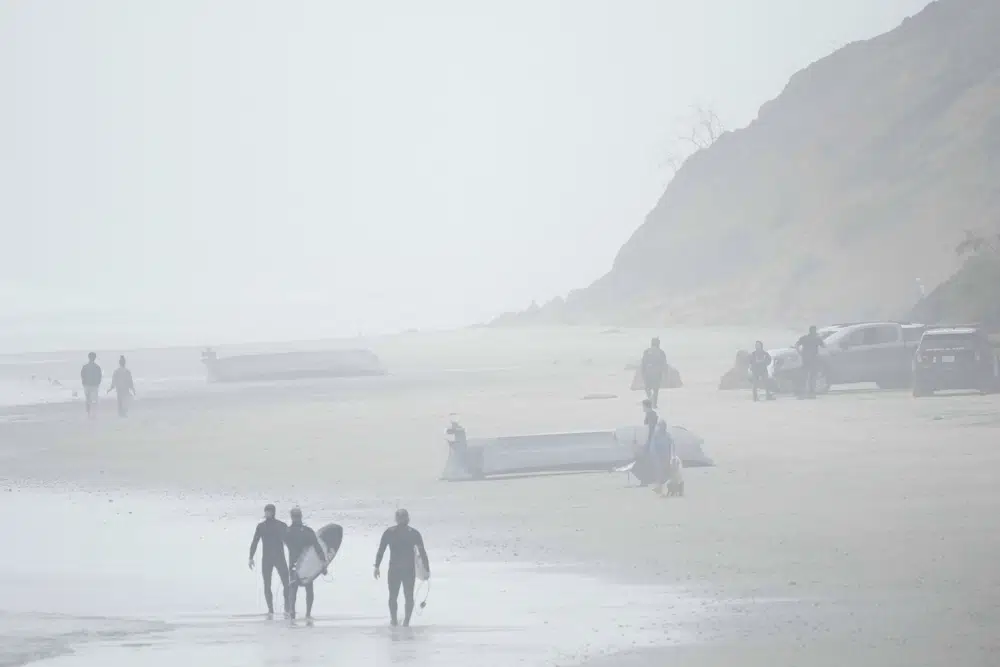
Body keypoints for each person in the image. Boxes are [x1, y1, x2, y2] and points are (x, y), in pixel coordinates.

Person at [374, 509, 430, 627]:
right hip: (408, 570)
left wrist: (377, 566)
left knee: (393, 596)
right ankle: (406, 623)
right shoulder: (414, 533)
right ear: (408, 519)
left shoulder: (389, 532)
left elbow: (381, 550)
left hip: (394, 569)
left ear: (396, 519)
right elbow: (422, 552)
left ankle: (394, 621)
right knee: (408, 595)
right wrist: (426, 569)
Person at [284, 507, 326, 620]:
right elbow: (317, 548)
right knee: (308, 588)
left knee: (293, 588)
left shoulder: (287, 532)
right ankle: (307, 613)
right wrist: (323, 563)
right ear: (301, 517)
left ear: (292, 517)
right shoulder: (308, 531)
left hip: (293, 563)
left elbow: (285, 544)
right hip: (307, 564)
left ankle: (292, 611)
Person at [249, 504, 289, 617]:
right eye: (266, 511)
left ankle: (287, 608)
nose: (267, 513)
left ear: (273, 512)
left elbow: (289, 542)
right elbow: (255, 541)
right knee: (267, 584)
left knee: (287, 583)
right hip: (267, 559)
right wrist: (250, 557)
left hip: (279, 557)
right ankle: (270, 610)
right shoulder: (261, 527)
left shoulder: (281, 525)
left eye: (269, 511)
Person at [642, 399, 672, 495]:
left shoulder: (651, 416)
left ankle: (659, 486)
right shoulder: (666, 435)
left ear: (646, 406)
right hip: (658, 449)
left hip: (655, 446)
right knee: (660, 469)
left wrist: (648, 443)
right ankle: (660, 486)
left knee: (659, 468)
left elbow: (650, 430)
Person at [795, 326, 826, 398]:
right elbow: (824, 346)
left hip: (805, 359)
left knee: (804, 376)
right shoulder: (817, 339)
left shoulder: (804, 338)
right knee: (812, 376)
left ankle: (802, 393)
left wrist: (799, 352)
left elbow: (796, 345)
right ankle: (811, 392)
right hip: (813, 359)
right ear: (814, 331)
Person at [640, 337, 669, 408]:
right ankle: (654, 404)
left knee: (647, 388)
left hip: (648, 373)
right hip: (657, 374)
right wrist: (665, 373)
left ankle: (650, 399)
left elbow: (643, 363)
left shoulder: (646, 351)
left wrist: (643, 372)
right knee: (656, 390)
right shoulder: (661, 352)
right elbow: (664, 364)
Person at [80, 352, 102, 417]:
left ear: (89, 357)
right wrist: (98, 383)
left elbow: (82, 375)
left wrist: (83, 382)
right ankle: (93, 413)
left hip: (87, 385)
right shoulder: (97, 367)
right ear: (94, 358)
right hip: (94, 385)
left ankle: (88, 412)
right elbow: (99, 376)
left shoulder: (85, 366)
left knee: (88, 399)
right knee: (94, 400)